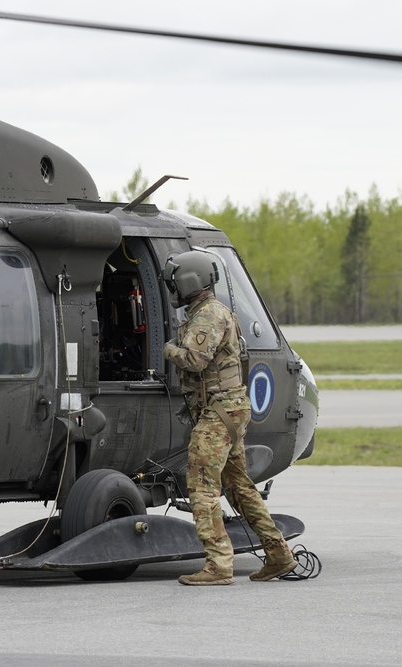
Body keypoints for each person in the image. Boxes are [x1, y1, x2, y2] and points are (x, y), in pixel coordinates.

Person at [161, 250, 295, 586]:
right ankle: (278, 554)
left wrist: (168, 350)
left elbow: (194, 359)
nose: (173, 288)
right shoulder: (214, 312)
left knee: (202, 486)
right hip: (229, 410)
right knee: (238, 487)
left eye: (176, 282)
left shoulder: (207, 316)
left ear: (189, 282)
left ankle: (219, 564)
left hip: (219, 412)